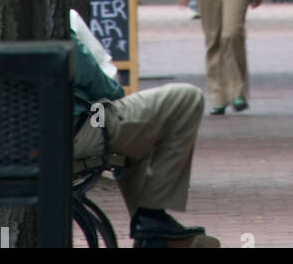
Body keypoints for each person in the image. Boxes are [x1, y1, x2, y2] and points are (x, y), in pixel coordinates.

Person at [71, 31, 217, 246]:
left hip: (25, 145)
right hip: (75, 132)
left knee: (141, 130)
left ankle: (155, 232)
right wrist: (116, 93)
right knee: (187, 98)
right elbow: (97, 82)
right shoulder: (48, 23)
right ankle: (152, 218)